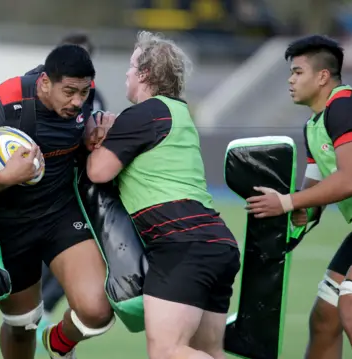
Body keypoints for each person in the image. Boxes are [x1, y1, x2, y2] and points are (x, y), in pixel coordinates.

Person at [86, 31, 241, 359]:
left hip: (180, 245)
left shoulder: (143, 113)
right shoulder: (180, 113)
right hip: (217, 244)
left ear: (144, 74)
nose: (126, 74)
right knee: (206, 351)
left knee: (167, 352)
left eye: (131, 66)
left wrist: (96, 138)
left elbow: (98, 172)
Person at [247, 35, 352, 359]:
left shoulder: (346, 106)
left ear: (322, 76)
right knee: (326, 316)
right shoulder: (314, 125)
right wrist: (293, 213)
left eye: (297, 72)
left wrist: (288, 202)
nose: (290, 81)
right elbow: (313, 193)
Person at [0, 44, 115, 359]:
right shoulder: (5, 101)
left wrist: (95, 132)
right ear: (44, 83)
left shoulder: (85, 97)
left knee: (97, 310)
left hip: (61, 216)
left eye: (83, 92)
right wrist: (6, 176)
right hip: (11, 228)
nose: (77, 101)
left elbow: (83, 130)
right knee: (22, 325)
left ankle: (57, 342)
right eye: (69, 92)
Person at [36, 31, 109, 345]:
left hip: (75, 198)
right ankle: (37, 317)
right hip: (38, 202)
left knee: (75, 268)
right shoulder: (34, 94)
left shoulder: (95, 98)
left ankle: (49, 317)